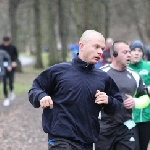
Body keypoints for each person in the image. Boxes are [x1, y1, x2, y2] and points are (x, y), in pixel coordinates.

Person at [28, 30, 123, 150]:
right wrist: (41, 96)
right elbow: (35, 88)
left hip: (87, 142)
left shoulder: (103, 77)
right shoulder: (59, 71)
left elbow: (118, 103)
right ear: (81, 46)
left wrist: (108, 100)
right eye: (96, 47)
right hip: (60, 139)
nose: (100, 52)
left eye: (102, 48)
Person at [95, 41, 149, 150]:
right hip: (104, 128)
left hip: (126, 128)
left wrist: (135, 102)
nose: (129, 55)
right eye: (125, 52)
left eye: (129, 52)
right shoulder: (100, 74)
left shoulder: (135, 75)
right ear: (114, 55)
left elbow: (145, 97)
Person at [129, 40, 150, 150]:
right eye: (134, 50)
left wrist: (144, 89)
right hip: (128, 117)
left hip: (146, 116)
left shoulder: (148, 67)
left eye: (139, 50)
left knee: (142, 147)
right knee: (133, 147)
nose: (136, 53)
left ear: (143, 53)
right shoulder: (125, 68)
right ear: (129, 52)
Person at [0, 36, 18, 105]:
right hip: (3, 68)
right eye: (5, 42)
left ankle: (11, 91)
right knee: (4, 82)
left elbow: (15, 56)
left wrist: (14, 62)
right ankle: (6, 97)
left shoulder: (13, 48)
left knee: (11, 81)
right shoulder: (1, 47)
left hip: (11, 67)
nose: (6, 43)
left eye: (7, 42)